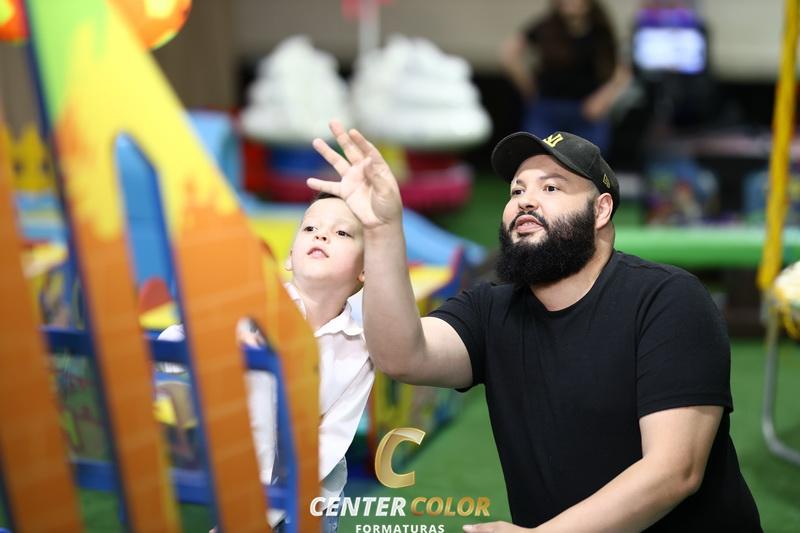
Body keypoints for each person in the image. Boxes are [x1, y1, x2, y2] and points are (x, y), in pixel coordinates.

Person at [308, 121, 762, 532]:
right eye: (516, 190)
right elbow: (402, 356)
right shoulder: (491, 309)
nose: (525, 199)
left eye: (551, 187)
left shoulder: (669, 300)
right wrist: (383, 228)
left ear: (601, 210)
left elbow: (674, 472)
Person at [159, 192, 374, 533]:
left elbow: (330, 443)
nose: (321, 235)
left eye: (342, 232)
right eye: (310, 228)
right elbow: (172, 348)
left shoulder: (361, 350)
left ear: (364, 270)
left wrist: (269, 512)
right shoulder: (252, 308)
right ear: (289, 257)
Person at [500, 0, 630, 153]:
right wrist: (527, 86)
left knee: (586, 159)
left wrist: (604, 98)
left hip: (587, 111)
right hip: (548, 108)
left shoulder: (600, 31)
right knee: (540, 156)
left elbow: (622, 70)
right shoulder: (545, 27)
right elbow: (509, 54)